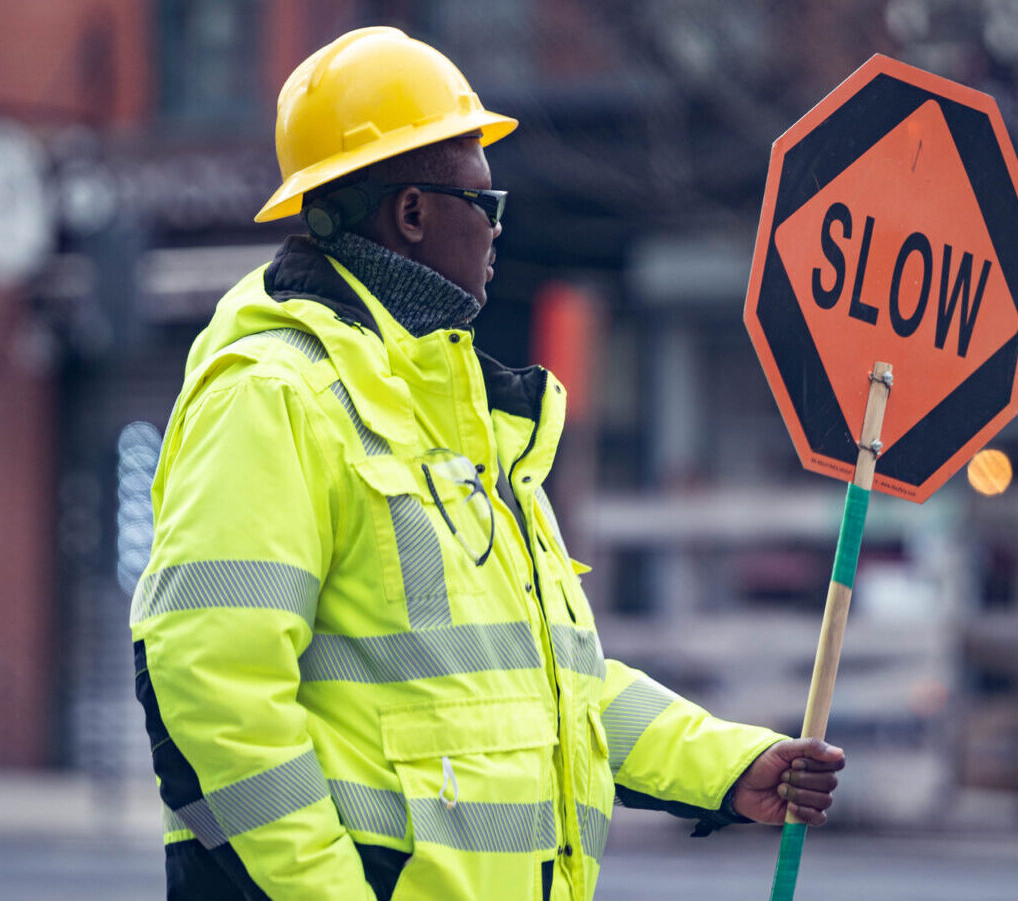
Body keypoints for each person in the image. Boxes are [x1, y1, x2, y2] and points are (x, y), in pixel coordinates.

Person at [131, 26, 844, 901]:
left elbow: (549, 688)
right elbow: (212, 694)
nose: (498, 227)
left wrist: (734, 764)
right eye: (485, 199)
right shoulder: (276, 394)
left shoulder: (454, 410)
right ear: (413, 212)